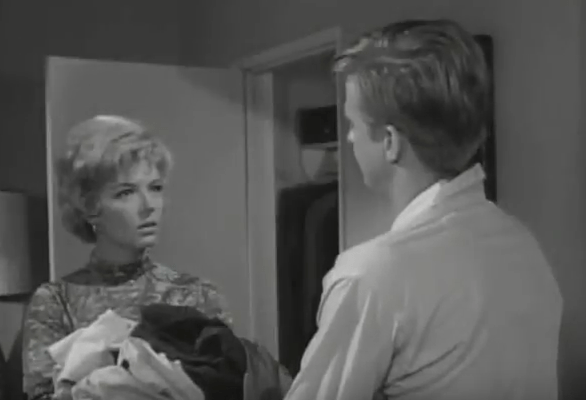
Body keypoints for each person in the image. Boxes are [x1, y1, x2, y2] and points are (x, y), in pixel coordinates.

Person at [285, 19, 563, 400]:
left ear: (389, 142)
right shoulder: (525, 249)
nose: (347, 137)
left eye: (351, 123)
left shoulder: (371, 277)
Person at [22, 115, 232, 400]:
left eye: (155, 188)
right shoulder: (55, 302)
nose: (149, 205)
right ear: (89, 205)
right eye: (126, 192)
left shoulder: (199, 296)